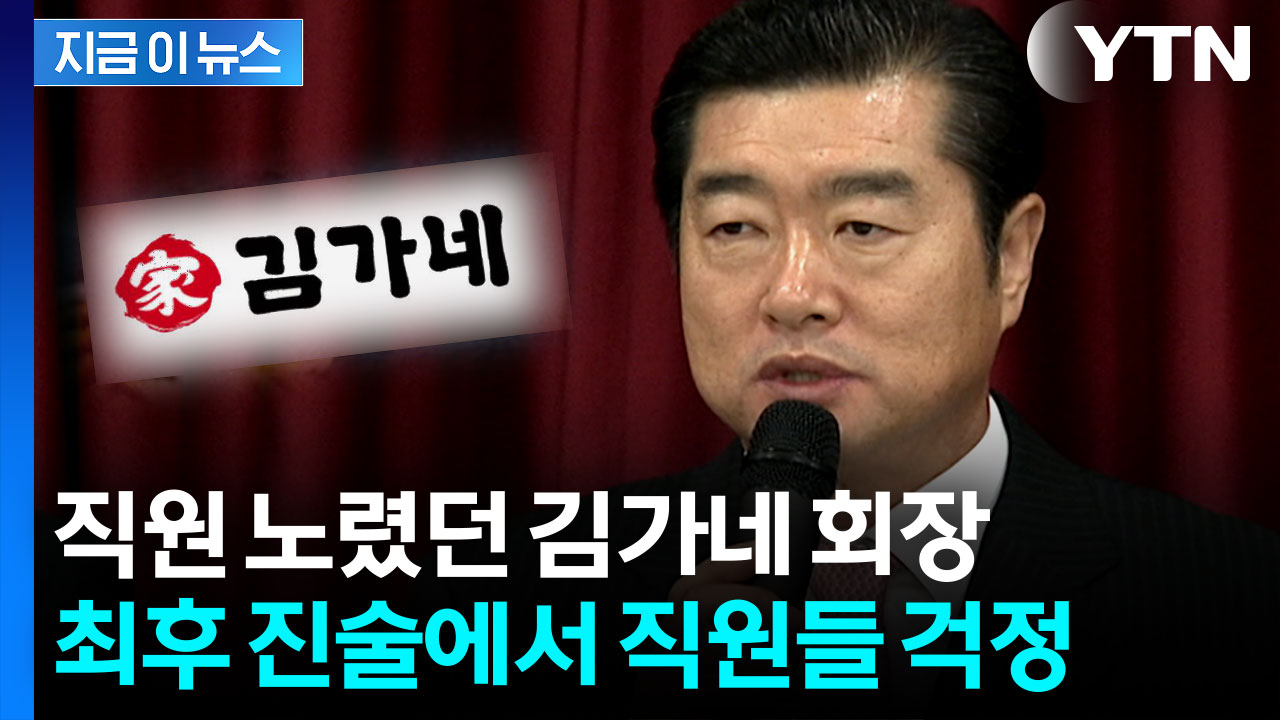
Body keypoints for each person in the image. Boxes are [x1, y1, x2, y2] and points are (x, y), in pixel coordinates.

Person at [582, 0, 1280, 716]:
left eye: (863, 226)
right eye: (736, 227)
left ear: (1012, 257)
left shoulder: (1234, 605)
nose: (792, 295)